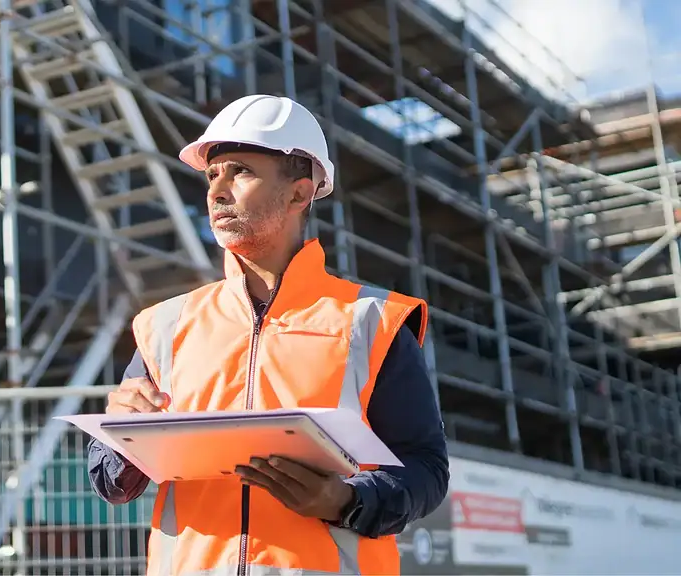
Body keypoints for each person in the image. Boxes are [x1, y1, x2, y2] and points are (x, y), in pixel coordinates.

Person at [87, 95, 449, 575]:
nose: (218, 191)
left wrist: (346, 500)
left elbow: (425, 469)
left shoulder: (372, 321)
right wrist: (120, 436)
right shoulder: (164, 325)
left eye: (240, 171)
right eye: (212, 175)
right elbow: (110, 481)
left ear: (299, 194)